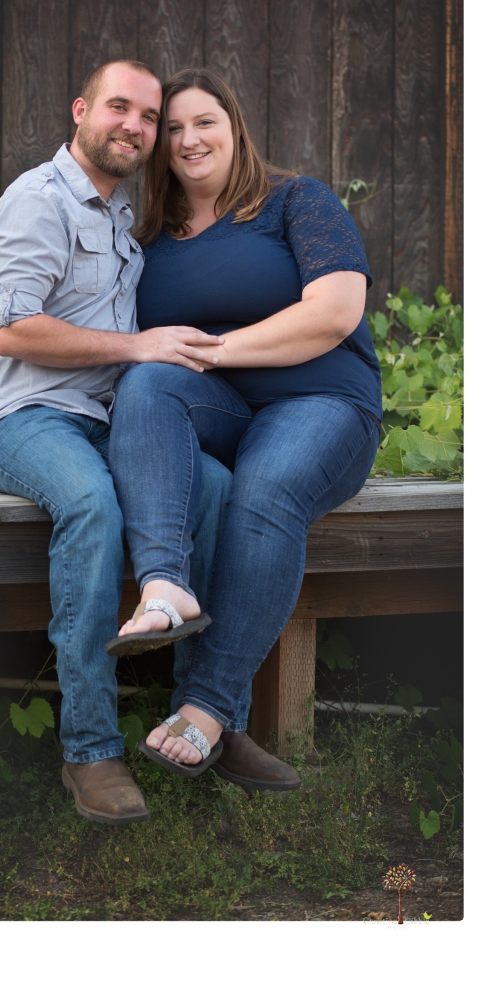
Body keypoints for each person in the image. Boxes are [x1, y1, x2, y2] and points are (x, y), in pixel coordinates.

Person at [0, 60, 231, 825]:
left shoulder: (120, 215)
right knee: (91, 502)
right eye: (120, 108)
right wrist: (140, 347)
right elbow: (14, 332)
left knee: (210, 485)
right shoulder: (38, 201)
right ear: (81, 110)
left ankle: (200, 716)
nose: (134, 127)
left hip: (100, 418)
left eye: (148, 118)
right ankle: (90, 748)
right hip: (17, 416)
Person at [107, 68, 382, 785]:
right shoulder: (148, 240)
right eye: (173, 128)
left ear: (235, 128)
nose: (189, 139)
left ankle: (208, 706)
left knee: (264, 488)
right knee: (147, 379)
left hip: (322, 401)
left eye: (205, 122)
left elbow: (334, 312)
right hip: (224, 410)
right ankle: (165, 586)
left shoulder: (297, 202)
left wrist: (219, 350)